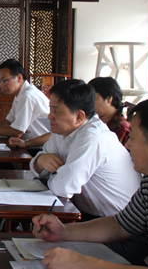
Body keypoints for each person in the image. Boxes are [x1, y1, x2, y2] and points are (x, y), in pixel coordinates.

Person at [32, 97, 148, 268]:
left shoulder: (93, 136)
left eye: (132, 137)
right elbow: (120, 225)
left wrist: (83, 263)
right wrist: (63, 232)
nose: (127, 144)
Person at [30, 79, 140, 219]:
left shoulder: (93, 137)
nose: (49, 116)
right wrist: (41, 161)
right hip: (88, 213)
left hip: (119, 221)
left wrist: (52, 175)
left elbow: (63, 188)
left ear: (79, 116)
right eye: (50, 108)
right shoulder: (62, 131)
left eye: (56, 111)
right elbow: (38, 169)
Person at [0, 59, 51, 148]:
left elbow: (17, 132)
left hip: (41, 148)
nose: (1, 85)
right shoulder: (20, 94)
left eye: (5, 80)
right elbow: (8, 122)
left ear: (19, 78)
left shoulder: (27, 96)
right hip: (31, 145)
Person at [88, 76, 130, 144]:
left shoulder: (121, 129)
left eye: (93, 99)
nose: (88, 103)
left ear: (109, 99)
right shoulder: (92, 122)